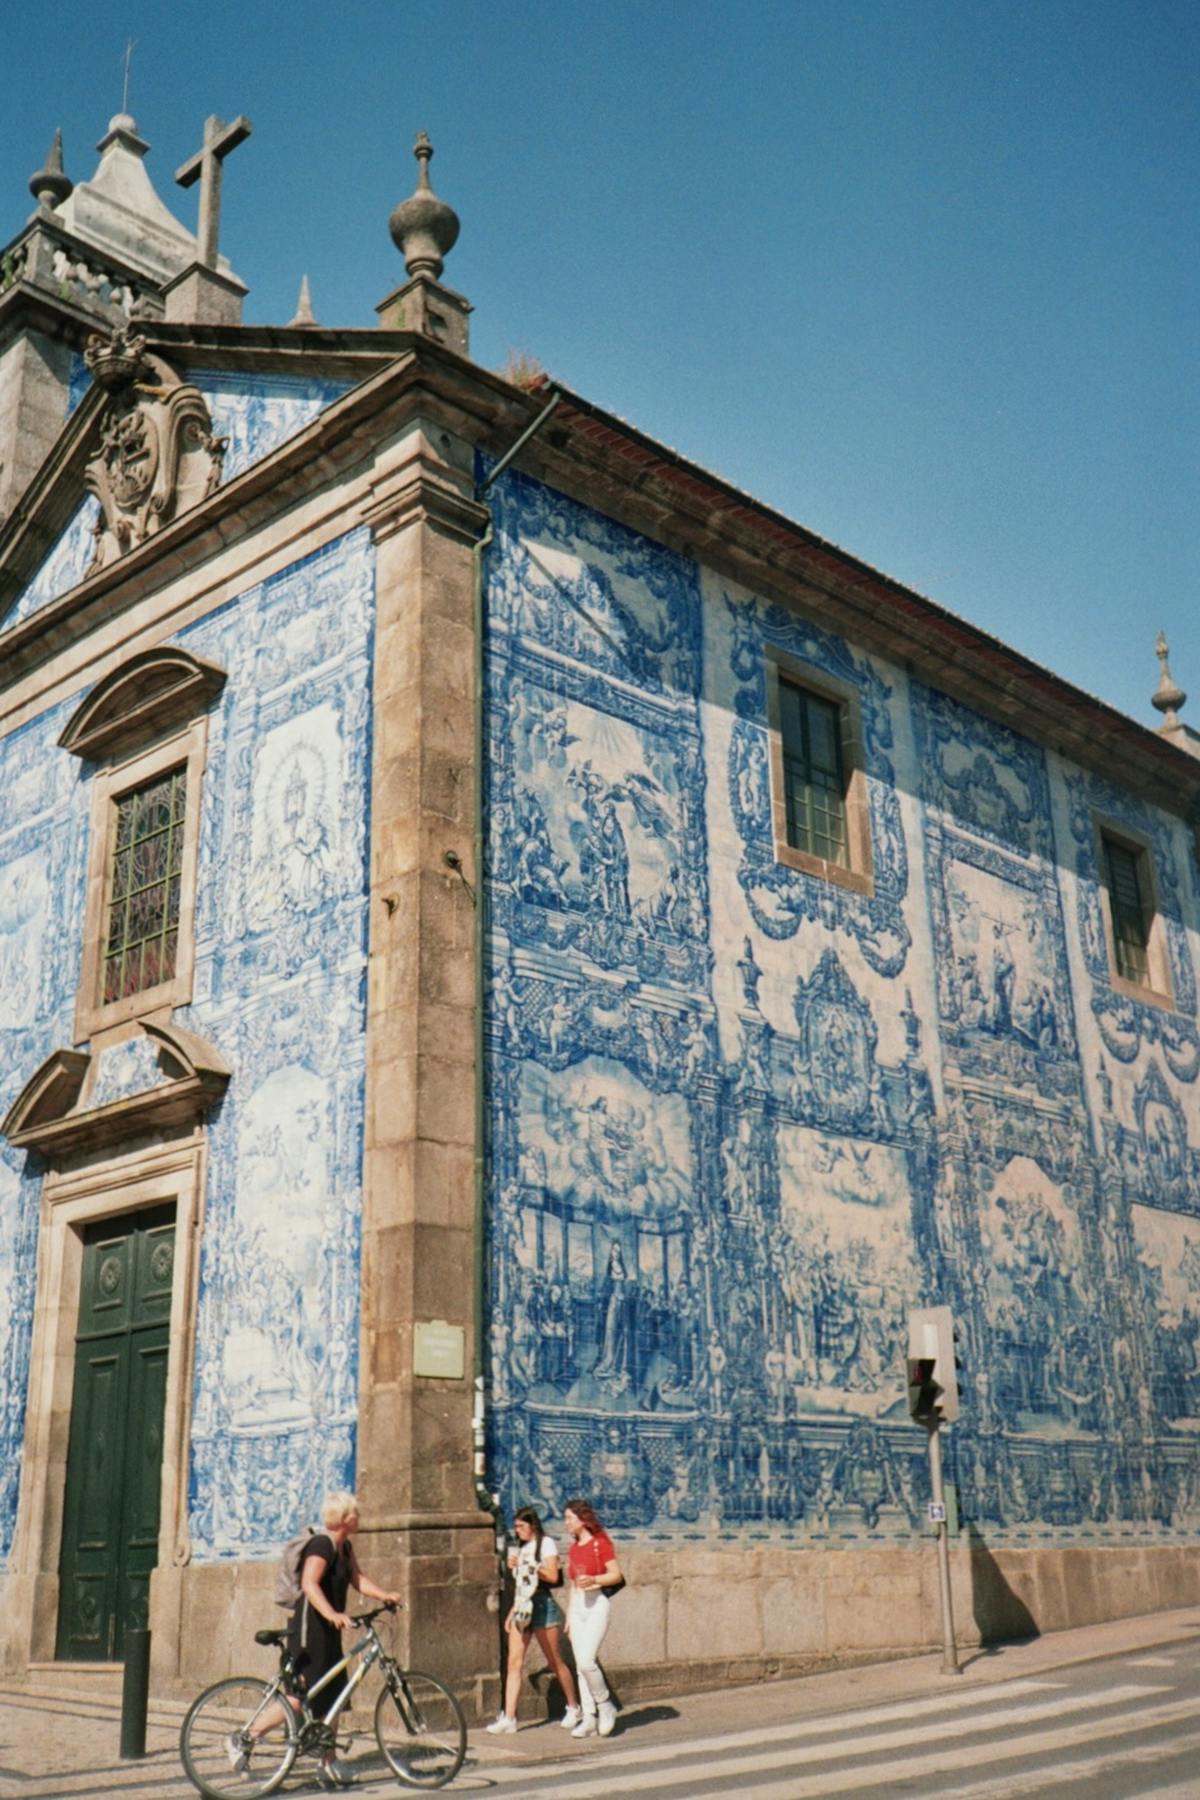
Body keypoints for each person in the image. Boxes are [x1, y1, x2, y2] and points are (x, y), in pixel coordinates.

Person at [230, 1491, 401, 1791]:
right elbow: (309, 1584)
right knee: (300, 1696)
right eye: (356, 1514)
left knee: (333, 1696)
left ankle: (328, 1763)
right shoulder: (322, 1544)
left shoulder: (344, 1547)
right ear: (345, 1518)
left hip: (329, 1628)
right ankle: (244, 1738)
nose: (359, 1518)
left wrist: (385, 1594)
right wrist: (333, 1613)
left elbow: (357, 1579)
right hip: (311, 1629)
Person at [485, 1506, 581, 1734]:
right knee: (514, 1663)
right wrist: (512, 1612)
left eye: (521, 1526)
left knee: (555, 1660)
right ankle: (509, 1717)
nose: (517, 1531)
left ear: (533, 1526)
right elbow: (521, 1586)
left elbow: (552, 1575)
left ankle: (573, 1706)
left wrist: (527, 1566)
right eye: (515, 1527)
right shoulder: (522, 1548)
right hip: (523, 1607)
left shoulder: (545, 1544)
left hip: (542, 1605)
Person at [563, 1497, 623, 1739]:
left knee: (587, 1660)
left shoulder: (600, 1544)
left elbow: (616, 1575)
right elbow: (572, 1585)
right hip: (578, 1606)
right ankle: (589, 1717)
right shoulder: (574, 1548)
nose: (566, 1523)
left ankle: (605, 1705)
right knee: (579, 1666)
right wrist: (569, 1614)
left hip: (597, 1604)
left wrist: (595, 1580)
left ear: (582, 1519)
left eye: (569, 1518)